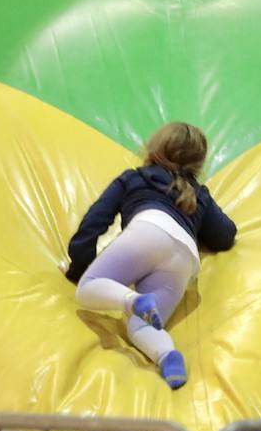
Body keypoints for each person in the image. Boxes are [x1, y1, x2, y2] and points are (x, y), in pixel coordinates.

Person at [65, 122, 237, 389]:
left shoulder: (136, 177)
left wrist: (79, 267)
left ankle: (133, 300)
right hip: (185, 258)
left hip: (148, 230)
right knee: (141, 328)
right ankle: (168, 356)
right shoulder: (199, 194)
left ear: (155, 148)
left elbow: (94, 222)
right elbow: (225, 235)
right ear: (198, 164)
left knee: (87, 288)